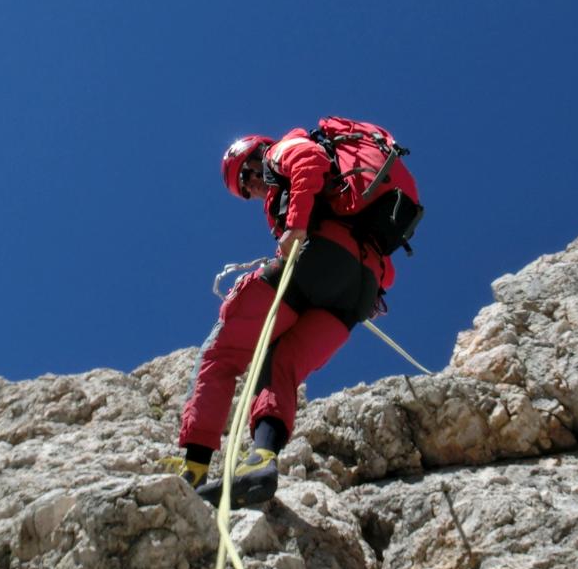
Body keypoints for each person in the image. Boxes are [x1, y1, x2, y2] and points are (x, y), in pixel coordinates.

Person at [161, 124, 415, 505]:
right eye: (245, 190)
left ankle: (193, 468)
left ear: (253, 155)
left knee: (220, 351)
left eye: (246, 177)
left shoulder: (282, 150)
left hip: (320, 261)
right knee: (280, 361)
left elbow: (308, 162)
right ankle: (261, 460)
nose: (251, 189)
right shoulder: (336, 196)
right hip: (358, 292)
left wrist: (295, 225)